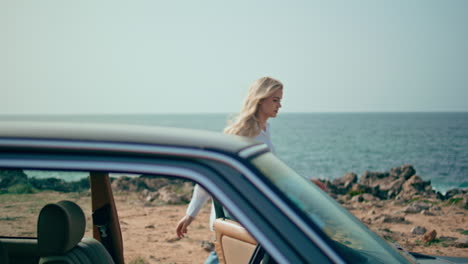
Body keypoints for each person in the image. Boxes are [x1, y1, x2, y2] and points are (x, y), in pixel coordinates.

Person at [175, 76, 283, 264]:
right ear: (260, 99)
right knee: (227, 257)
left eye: (280, 100)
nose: (279, 105)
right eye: (275, 100)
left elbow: (271, 171)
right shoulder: (241, 132)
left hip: (256, 211)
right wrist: (191, 213)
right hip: (238, 212)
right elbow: (212, 171)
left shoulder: (265, 129)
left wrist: (304, 182)